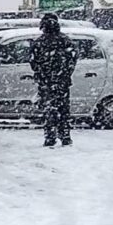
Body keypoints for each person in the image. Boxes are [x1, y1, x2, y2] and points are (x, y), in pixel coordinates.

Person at [32, 13, 77, 146]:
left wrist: (43, 75)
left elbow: (33, 63)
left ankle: (50, 137)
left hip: (46, 82)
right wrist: (64, 75)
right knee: (63, 110)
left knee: (49, 110)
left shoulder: (39, 42)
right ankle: (65, 136)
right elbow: (72, 60)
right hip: (62, 83)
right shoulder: (65, 40)